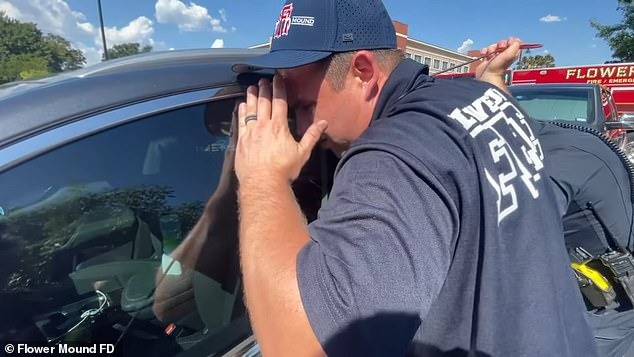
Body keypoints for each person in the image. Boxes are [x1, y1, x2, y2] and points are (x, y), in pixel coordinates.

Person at [231, 0, 598, 355]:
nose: (303, 129)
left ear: (362, 71)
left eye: (305, 107)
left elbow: (305, 348)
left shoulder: (392, 157)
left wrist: (262, 178)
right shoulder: (482, 97)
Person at [476, 38, 634, 357]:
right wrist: (491, 79)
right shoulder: (530, 138)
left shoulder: (561, 161)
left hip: (600, 320)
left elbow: (511, 226)